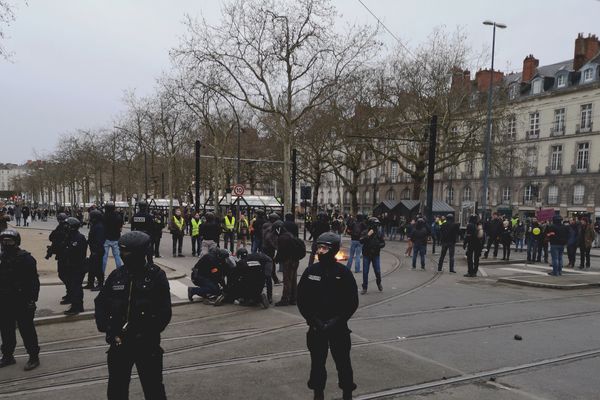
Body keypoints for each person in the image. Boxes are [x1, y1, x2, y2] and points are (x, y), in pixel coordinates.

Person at [94, 231, 171, 400]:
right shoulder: (117, 275)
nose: (122, 255)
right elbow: (101, 303)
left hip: (147, 345)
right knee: (116, 390)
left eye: (126, 252)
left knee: (153, 389)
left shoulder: (156, 276)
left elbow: (164, 312)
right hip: (119, 344)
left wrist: (146, 332)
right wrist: (108, 329)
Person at [297, 232, 358, 400]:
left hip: (339, 328)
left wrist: (337, 320)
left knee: (343, 363)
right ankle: (318, 393)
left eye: (325, 248)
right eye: (319, 247)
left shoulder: (343, 273)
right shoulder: (311, 272)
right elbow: (301, 299)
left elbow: (352, 301)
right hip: (316, 328)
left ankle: (347, 392)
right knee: (317, 364)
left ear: (334, 250)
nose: (320, 251)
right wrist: (313, 320)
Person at [0, 230, 41, 371]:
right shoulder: (2, 258)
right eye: (4, 241)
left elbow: (34, 282)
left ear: (16, 242)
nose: (6, 244)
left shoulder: (26, 259)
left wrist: (32, 300)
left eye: (9, 241)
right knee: (6, 330)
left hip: (22, 301)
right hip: (5, 301)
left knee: (27, 330)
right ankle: (7, 355)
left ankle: (34, 356)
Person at [62, 217, 87, 315]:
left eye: (67, 225)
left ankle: (76, 307)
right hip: (72, 265)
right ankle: (77, 306)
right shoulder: (70, 236)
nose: (65, 227)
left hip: (77, 266)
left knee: (76, 287)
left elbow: (72, 251)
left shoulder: (78, 238)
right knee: (74, 286)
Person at [274, 221, 302, 306]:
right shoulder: (289, 235)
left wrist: (276, 259)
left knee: (287, 280)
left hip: (288, 261)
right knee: (293, 279)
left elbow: (281, 251)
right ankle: (293, 299)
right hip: (295, 260)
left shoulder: (282, 237)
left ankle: (285, 299)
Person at [359, 217, 385, 294]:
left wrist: (378, 246)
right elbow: (361, 240)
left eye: (377, 225)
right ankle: (365, 287)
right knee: (365, 271)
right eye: (375, 224)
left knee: (377, 271)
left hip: (376, 254)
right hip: (366, 254)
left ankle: (379, 283)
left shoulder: (379, 233)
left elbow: (383, 243)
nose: (376, 226)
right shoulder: (365, 232)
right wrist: (368, 235)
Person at [84, 209, 105, 291]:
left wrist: (95, 250)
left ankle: (100, 284)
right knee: (91, 267)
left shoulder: (99, 227)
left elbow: (99, 240)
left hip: (97, 250)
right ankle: (90, 283)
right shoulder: (95, 225)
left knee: (97, 268)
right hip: (94, 249)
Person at [103, 202, 124, 271]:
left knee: (104, 257)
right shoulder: (118, 216)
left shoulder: (103, 216)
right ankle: (120, 272)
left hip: (106, 238)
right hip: (116, 238)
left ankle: (101, 274)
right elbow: (120, 228)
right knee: (117, 257)